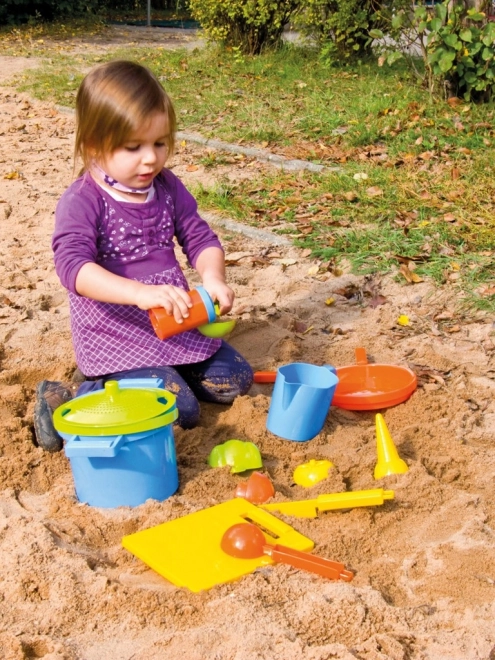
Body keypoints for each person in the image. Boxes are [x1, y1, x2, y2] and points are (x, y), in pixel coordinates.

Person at [34, 60, 253, 452]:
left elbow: (200, 237)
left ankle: (164, 373)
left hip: (174, 320)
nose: (150, 159)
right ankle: (74, 396)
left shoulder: (166, 188)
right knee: (179, 410)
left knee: (235, 380)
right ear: (93, 145)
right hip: (116, 331)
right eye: (133, 147)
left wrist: (214, 276)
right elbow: (74, 269)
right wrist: (138, 292)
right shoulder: (84, 200)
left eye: (160, 142)